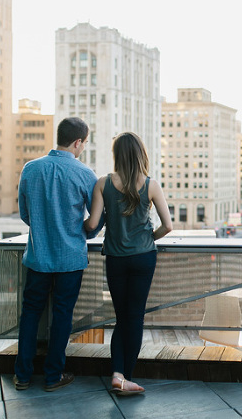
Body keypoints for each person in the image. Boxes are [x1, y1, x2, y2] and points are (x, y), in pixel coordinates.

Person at [14, 117, 102, 392]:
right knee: (63, 315)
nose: (83, 148)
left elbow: (25, 214)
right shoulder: (85, 174)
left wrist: (43, 228)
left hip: (38, 257)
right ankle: (53, 376)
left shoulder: (31, 169)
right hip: (70, 259)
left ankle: (22, 375)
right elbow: (96, 219)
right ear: (77, 142)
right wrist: (81, 234)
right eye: (84, 143)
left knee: (30, 313)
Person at [84, 132, 172, 396]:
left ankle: (118, 375)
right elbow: (167, 226)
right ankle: (125, 378)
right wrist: (149, 237)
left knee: (122, 317)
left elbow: (92, 224)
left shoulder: (103, 184)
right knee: (134, 317)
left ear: (116, 155)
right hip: (144, 257)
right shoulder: (151, 185)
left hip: (116, 259)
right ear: (140, 154)